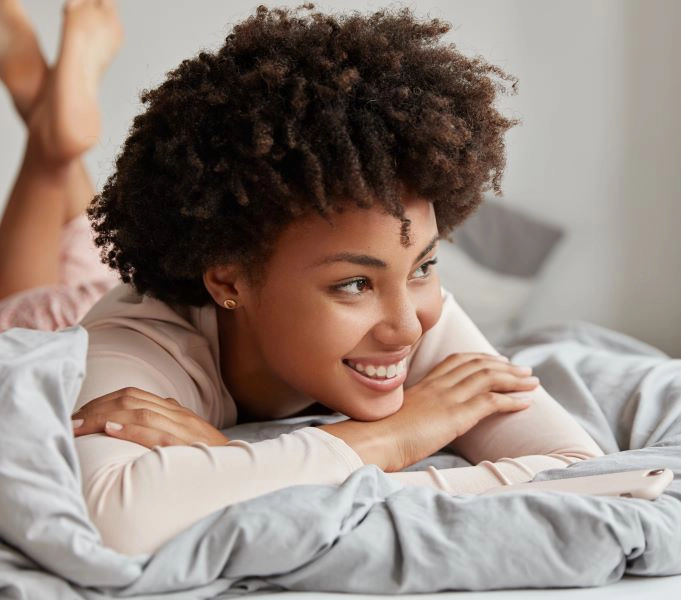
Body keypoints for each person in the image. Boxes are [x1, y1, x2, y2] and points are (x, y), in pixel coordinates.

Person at [27, 3, 604, 556]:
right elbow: (117, 520)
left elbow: (584, 473)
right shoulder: (133, 346)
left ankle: (49, 124)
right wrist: (394, 437)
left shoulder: (416, 311)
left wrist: (231, 461)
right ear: (229, 278)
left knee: (76, 229)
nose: (408, 329)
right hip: (52, 313)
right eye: (353, 284)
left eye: (425, 266)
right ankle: (48, 137)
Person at [0, 0, 120, 331]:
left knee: (101, 277)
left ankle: (44, 102)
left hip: (118, 301)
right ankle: (50, 129)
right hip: (92, 329)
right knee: (27, 342)